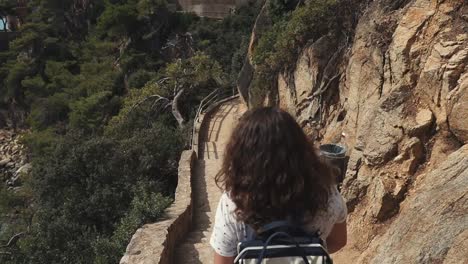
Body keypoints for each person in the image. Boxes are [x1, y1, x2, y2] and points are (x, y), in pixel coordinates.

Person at [210, 107, 348, 264]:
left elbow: (223, 261)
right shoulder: (326, 192)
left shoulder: (233, 202)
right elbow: (338, 241)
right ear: (300, 148)